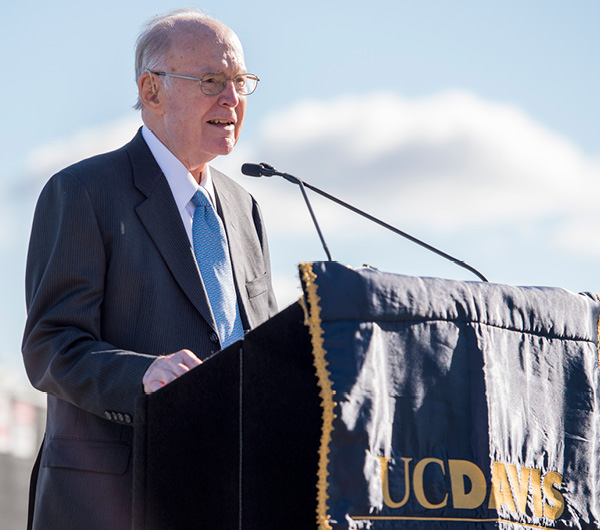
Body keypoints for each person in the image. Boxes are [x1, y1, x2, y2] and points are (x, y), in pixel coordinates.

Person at [21, 8, 277, 530]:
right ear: (152, 90)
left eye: (240, 82)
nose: (232, 99)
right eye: (212, 81)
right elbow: (50, 347)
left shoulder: (245, 208)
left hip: (234, 494)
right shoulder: (84, 192)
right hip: (118, 500)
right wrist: (142, 373)